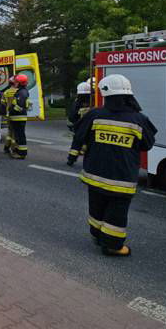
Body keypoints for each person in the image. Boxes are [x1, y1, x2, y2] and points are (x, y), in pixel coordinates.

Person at [67, 74, 156, 257]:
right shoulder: (139, 120)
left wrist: (73, 155)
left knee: (96, 205)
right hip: (121, 178)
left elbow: (79, 134)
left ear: (105, 95)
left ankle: (97, 234)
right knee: (117, 212)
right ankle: (113, 245)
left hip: (94, 173)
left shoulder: (95, 114)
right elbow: (147, 144)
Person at [7, 74, 30, 160]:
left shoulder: (22, 92)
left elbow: (19, 105)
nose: (15, 83)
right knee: (18, 135)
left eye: (16, 82)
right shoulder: (21, 91)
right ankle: (18, 151)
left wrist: (12, 111)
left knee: (20, 136)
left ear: (20, 83)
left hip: (18, 117)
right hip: (17, 117)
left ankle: (22, 153)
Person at [2, 77, 18, 153]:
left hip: (8, 114)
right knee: (15, 133)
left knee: (10, 131)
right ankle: (13, 148)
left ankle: (6, 147)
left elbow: (3, 103)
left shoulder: (6, 92)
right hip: (16, 114)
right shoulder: (19, 91)